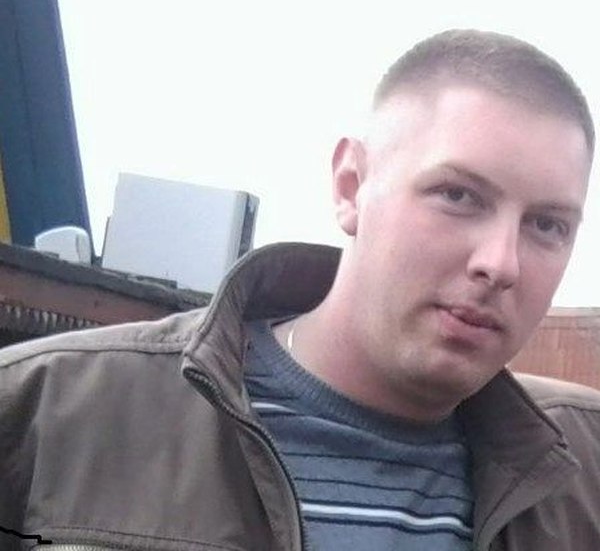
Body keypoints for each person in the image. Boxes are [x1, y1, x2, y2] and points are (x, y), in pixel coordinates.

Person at [1, 29, 599, 551]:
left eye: (547, 225)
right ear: (351, 186)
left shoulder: (586, 472)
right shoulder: (43, 412)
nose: (501, 263)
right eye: (458, 195)